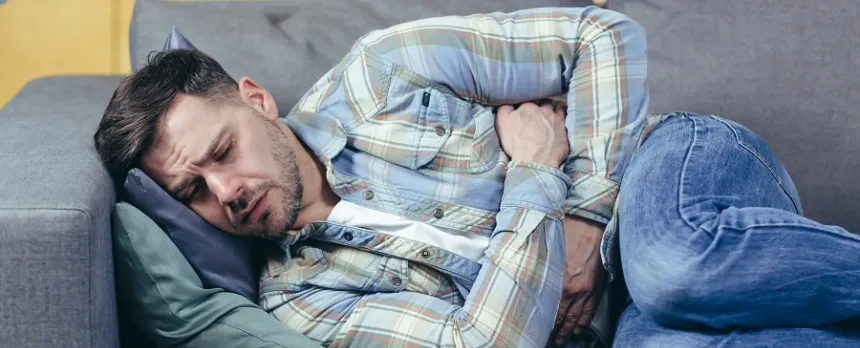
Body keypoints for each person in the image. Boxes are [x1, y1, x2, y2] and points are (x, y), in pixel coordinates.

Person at [92, 5, 860, 348]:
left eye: (221, 152)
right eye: (192, 192)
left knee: (667, 265)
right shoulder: (301, 303)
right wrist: (532, 173)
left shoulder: (380, 74)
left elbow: (601, 35)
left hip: (669, 178)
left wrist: (585, 218)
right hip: (622, 328)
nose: (224, 192)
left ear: (256, 100)